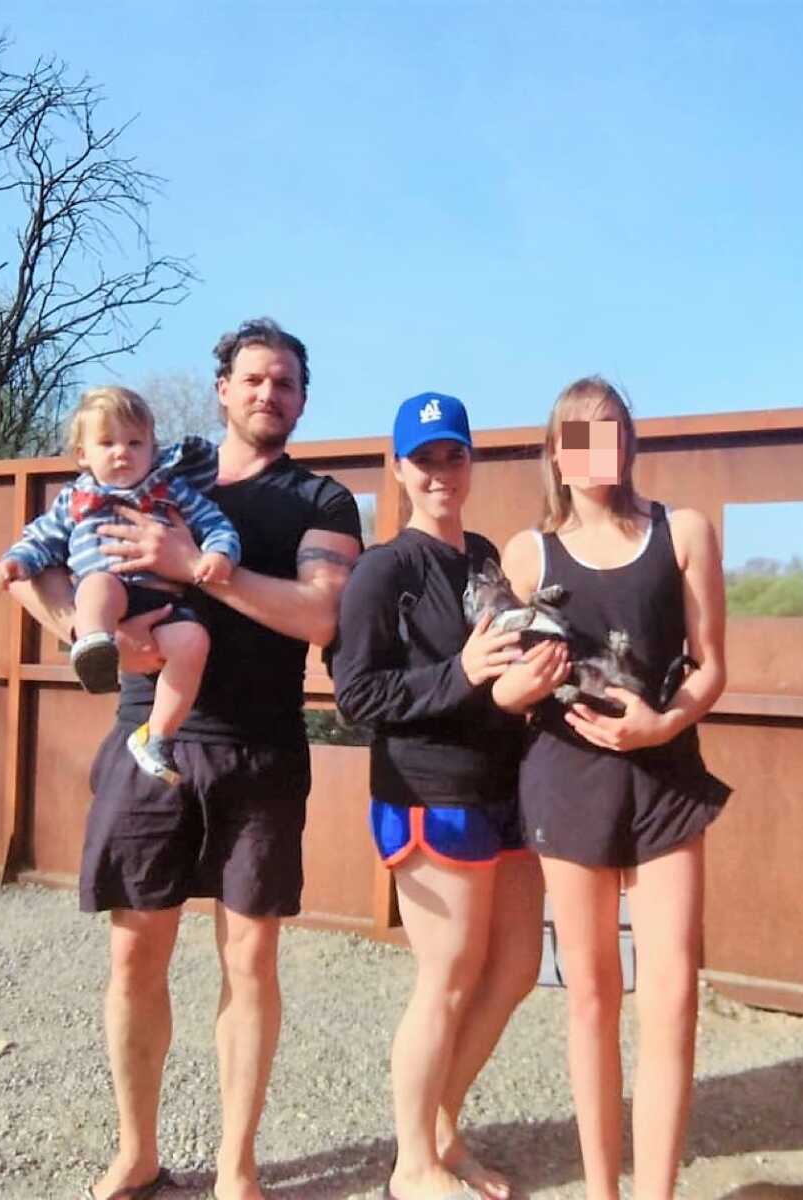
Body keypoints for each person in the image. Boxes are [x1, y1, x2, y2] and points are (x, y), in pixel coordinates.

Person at [9, 318, 362, 1200]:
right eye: (252, 379)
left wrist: (194, 568)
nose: (267, 394)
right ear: (221, 389)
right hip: (146, 738)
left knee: (250, 962)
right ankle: (137, 1150)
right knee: (136, 958)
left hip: (259, 747)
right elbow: (45, 558)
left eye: (284, 382)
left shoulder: (320, 501)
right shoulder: (160, 466)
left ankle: (238, 1166)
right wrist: (87, 637)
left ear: (302, 398)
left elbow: (322, 617)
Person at [332, 392, 569, 1200]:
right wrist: (461, 674)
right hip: (429, 792)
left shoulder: (484, 558)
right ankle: (413, 1166)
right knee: (448, 977)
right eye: (424, 458)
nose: (440, 472)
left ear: (472, 462)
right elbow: (357, 694)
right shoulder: (381, 570)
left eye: (453, 455)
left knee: (515, 969)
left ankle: (441, 1127)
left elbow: (503, 669)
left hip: (505, 790)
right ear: (400, 470)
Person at [500, 376, 730, 1200]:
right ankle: (603, 1191)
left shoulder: (684, 533)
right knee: (592, 997)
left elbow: (711, 669)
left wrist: (660, 725)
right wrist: (522, 681)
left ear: (630, 442)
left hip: (667, 774)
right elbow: (499, 686)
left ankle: (656, 1192)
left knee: (670, 995)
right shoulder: (528, 555)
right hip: (567, 777)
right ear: (555, 452)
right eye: (579, 434)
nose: (599, 448)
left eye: (613, 431)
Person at [0, 386, 241, 784]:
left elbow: (214, 522)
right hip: (110, 589)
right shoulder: (76, 498)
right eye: (106, 443)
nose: (121, 452)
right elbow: (41, 538)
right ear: (82, 455)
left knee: (194, 641)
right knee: (99, 588)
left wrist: (218, 555)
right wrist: (16, 562)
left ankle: (157, 736)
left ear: (153, 448)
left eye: (134, 442)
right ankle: (94, 643)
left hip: (164, 598)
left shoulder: (171, 491)